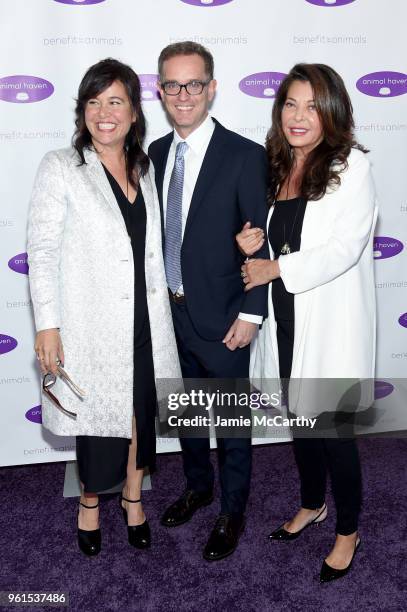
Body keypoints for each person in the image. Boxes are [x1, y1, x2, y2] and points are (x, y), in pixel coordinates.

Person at [27, 58, 181, 557]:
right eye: (93, 102)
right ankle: (90, 504)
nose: (103, 112)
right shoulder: (61, 166)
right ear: (82, 112)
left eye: (115, 101)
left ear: (135, 111)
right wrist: (48, 325)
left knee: (138, 414)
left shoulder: (145, 166)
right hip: (90, 321)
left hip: (143, 319)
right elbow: (43, 251)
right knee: (96, 424)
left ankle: (133, 500)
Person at [238, 63, 377, 582]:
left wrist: (276, 266)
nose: (299, 116)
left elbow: (344, 248)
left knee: (334, 430)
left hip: (332, 318)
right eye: (291, 104)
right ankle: (312, 503)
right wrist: (254, 245)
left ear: (333, 111)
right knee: (301, 419)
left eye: (312, 106)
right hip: (288, 314)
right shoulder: (276, 165)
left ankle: (347, 530)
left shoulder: (351, 165)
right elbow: (275, 239)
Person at [148, 41, 268, 561]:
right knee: (189, 414)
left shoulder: (245, 155)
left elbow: (260, 240)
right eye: (172, 85)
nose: (183, 95)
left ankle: (232, 510)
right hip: (167, 313)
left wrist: (251, 311)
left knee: (233, 424)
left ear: (212, 88)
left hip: (224, 316)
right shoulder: (153, 154)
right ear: (160, 91)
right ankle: (198, 487)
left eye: (194, 84)